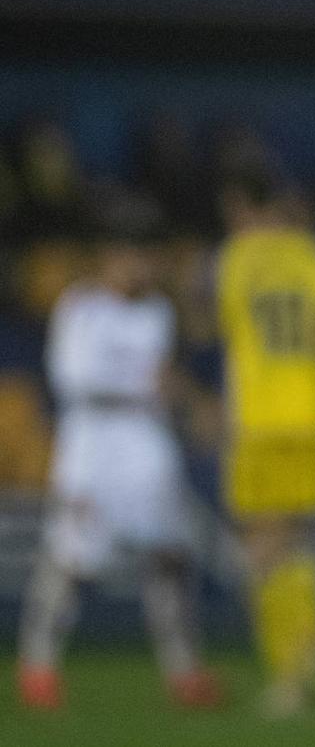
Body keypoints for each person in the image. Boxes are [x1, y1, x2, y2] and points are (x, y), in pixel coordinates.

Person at [16, 191, 221, 710]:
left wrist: (170, 394)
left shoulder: (158, 311)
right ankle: (38, 667)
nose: (143, 264)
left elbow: (163, 377)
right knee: (68, 560)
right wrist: (149, 383)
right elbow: (73, 376)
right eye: (134, 253)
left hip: (146, 442)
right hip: (92, 444)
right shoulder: (80, 306)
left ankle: (184, 672)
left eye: (149, 254)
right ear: (110, 256)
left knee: (169, 557)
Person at [213, 164, 315, 717]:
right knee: (300, 538)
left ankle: (289, 676)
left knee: (261, 547)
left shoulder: (233, 259)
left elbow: (216, 330)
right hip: (314, 414)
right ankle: (313, 658)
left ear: (239, 206)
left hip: (259, 419)